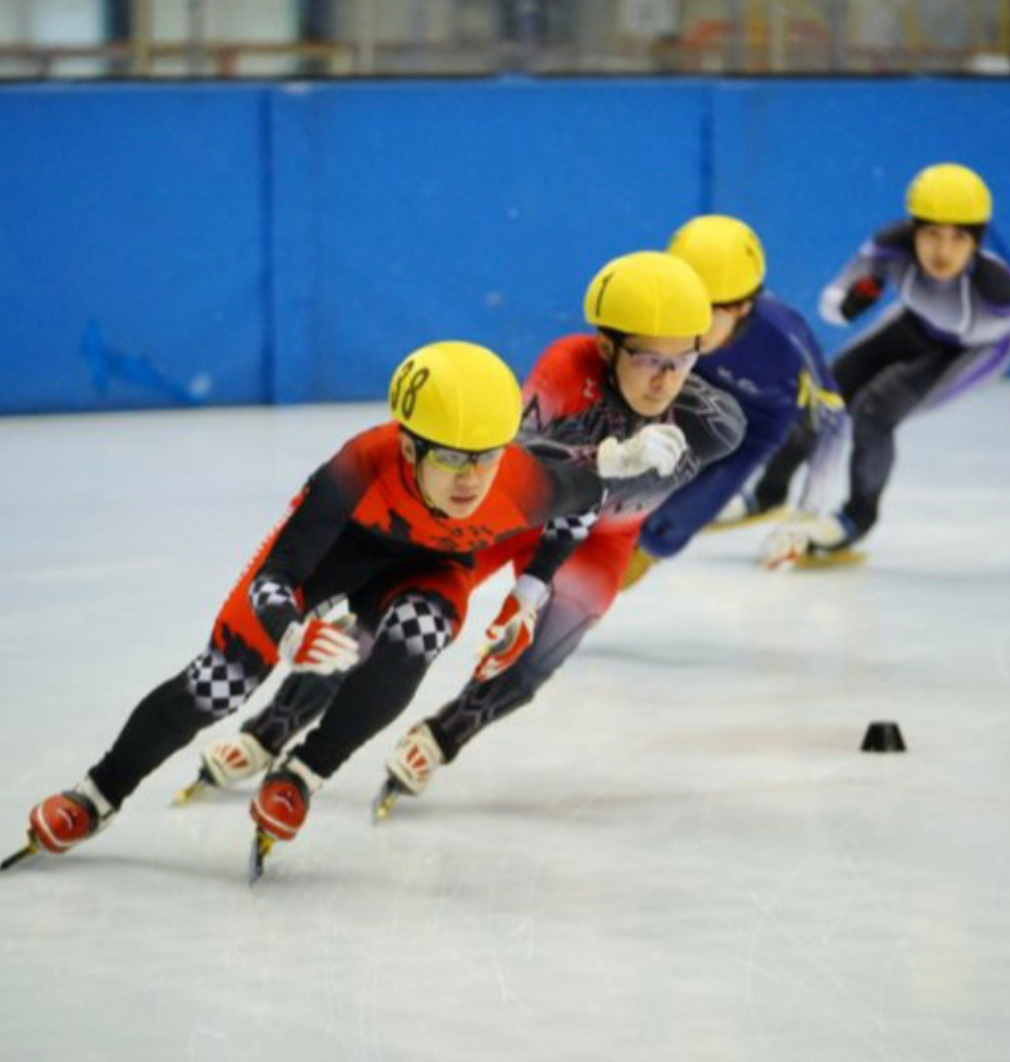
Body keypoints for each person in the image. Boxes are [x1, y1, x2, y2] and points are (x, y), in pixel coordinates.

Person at [9, 341, 686, 874]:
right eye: (452, 458)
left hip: (427, 571)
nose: (472, 479)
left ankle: (306, 771)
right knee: (221, 684)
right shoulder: (358, 465)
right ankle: (98, 793)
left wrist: (530, 594)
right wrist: (292, 628)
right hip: (329, 564)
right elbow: (276, 574)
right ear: (411, 444)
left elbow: (585, 500)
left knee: (417, 640)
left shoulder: (519, 479)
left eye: (484, 456)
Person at [180, 250, 747, 818]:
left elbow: (725, 464)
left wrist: (663, 534)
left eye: (683, 357)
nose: (665, 376)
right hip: (514, 510)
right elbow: (515, 455)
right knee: (385, 617)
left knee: (539, 654)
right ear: (607, 346)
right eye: (648, 357)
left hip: (599, 536)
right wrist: (606, 455)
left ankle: (443, 737)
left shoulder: (715, 424)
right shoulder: (569, 366)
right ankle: (272, 728)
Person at [743, 162, 1010, 554]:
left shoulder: (996, 287)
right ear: (913, 230)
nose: (943, 250)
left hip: (976, 349)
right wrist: (848, 304)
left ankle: (856, 518)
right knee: (824, 393)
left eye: (958, 238)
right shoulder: (891, 248)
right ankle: (770, 492)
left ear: (976, 242)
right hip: (917, 323)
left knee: (875, 411)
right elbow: (832, 302)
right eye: (932, 234)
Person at [623, 215, 847, 585]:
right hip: (688, 401)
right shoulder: (671, 315)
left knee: (661, 535)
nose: (690, 323)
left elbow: (835, 424)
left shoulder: (786, 337)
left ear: (743, 306)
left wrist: (806, 517)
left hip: (753, 430)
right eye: (684, 305)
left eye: (706, 312)